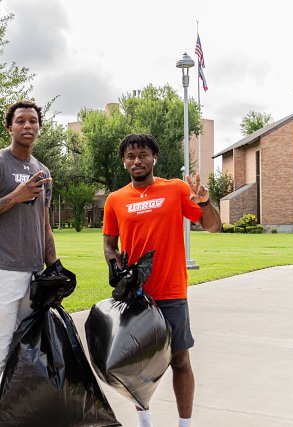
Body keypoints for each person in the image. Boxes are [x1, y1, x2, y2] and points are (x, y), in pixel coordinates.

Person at [102, 133, 221, 427]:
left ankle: (185, 424)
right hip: (136, 297)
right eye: (131, 156)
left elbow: (214, 226)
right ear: (124, 162)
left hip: (170, 291)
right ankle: (144, 421)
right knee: (137, 366)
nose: (137, 161)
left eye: (143, 154)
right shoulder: (115, 199)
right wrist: (114, 264)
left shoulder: (176, 189)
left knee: (180, 361)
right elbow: (109, 244)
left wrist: (204, 202)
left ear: (154, 157)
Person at [0, 100, 57, 427]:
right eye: (21, 121)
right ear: (9, 127)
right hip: (2, 270)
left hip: (33, 273)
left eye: (33, 121)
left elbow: (44, 225)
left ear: (39, 127)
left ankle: (16, 415)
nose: (27, 126)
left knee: (27, 350)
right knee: (0, 349)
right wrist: (14, 197)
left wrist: (54, 267)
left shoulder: (43, 172)